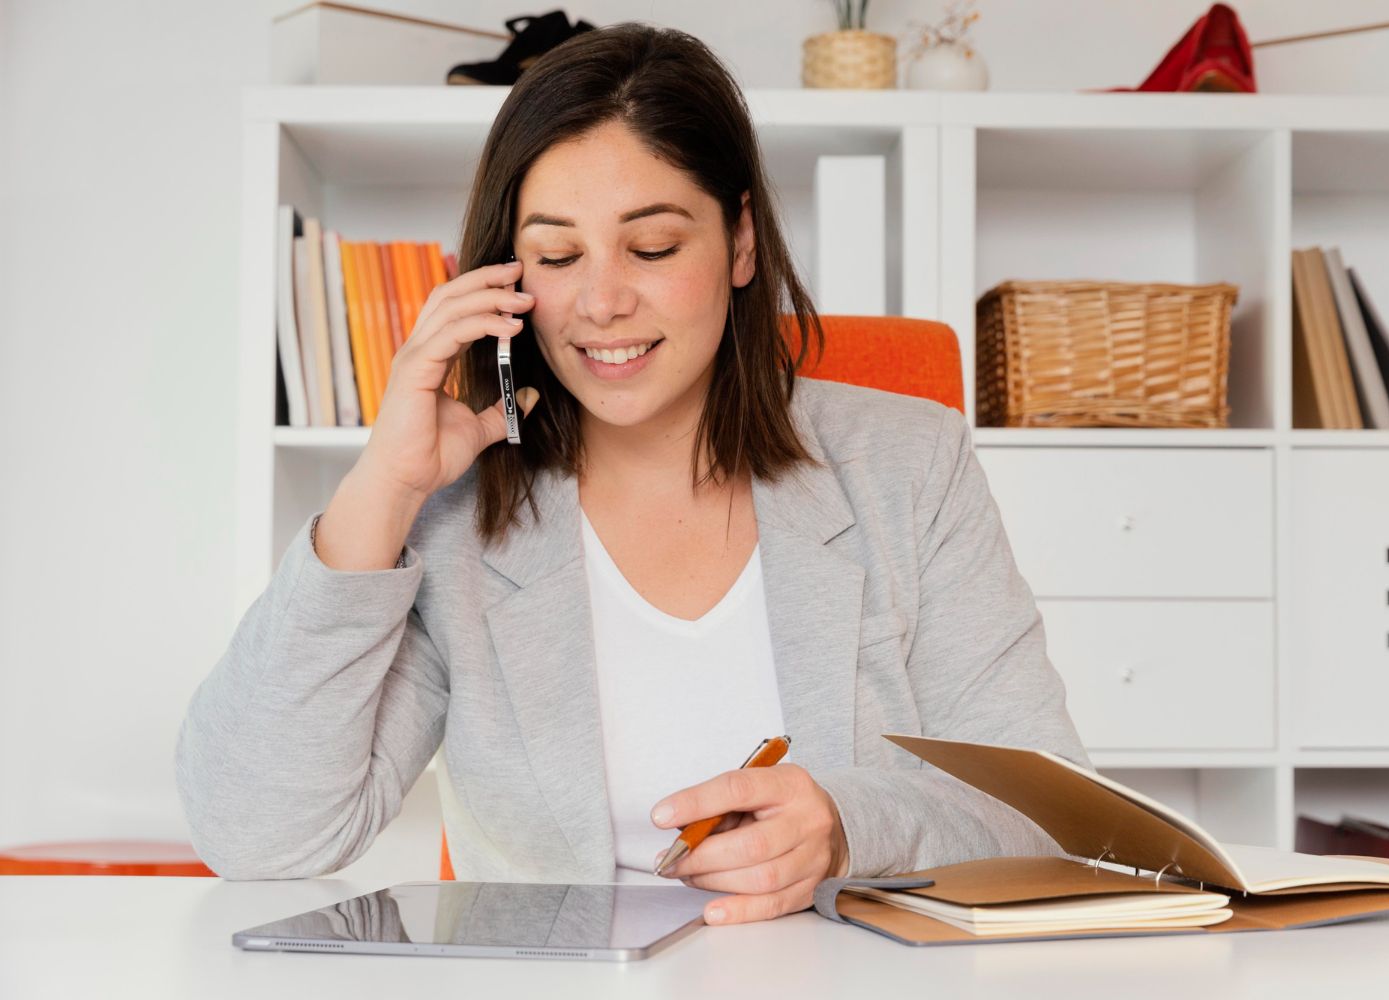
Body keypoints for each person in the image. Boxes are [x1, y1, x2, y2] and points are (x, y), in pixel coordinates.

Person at [175, 21, 1088, 927]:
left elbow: (1054, 821)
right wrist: (382, 486)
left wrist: (851, 827)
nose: (602, 302)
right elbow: (258, 836)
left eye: (651, 248)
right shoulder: (453, 516)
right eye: (558, 256)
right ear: (506, 275)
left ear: (739, 243)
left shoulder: (910, 465)